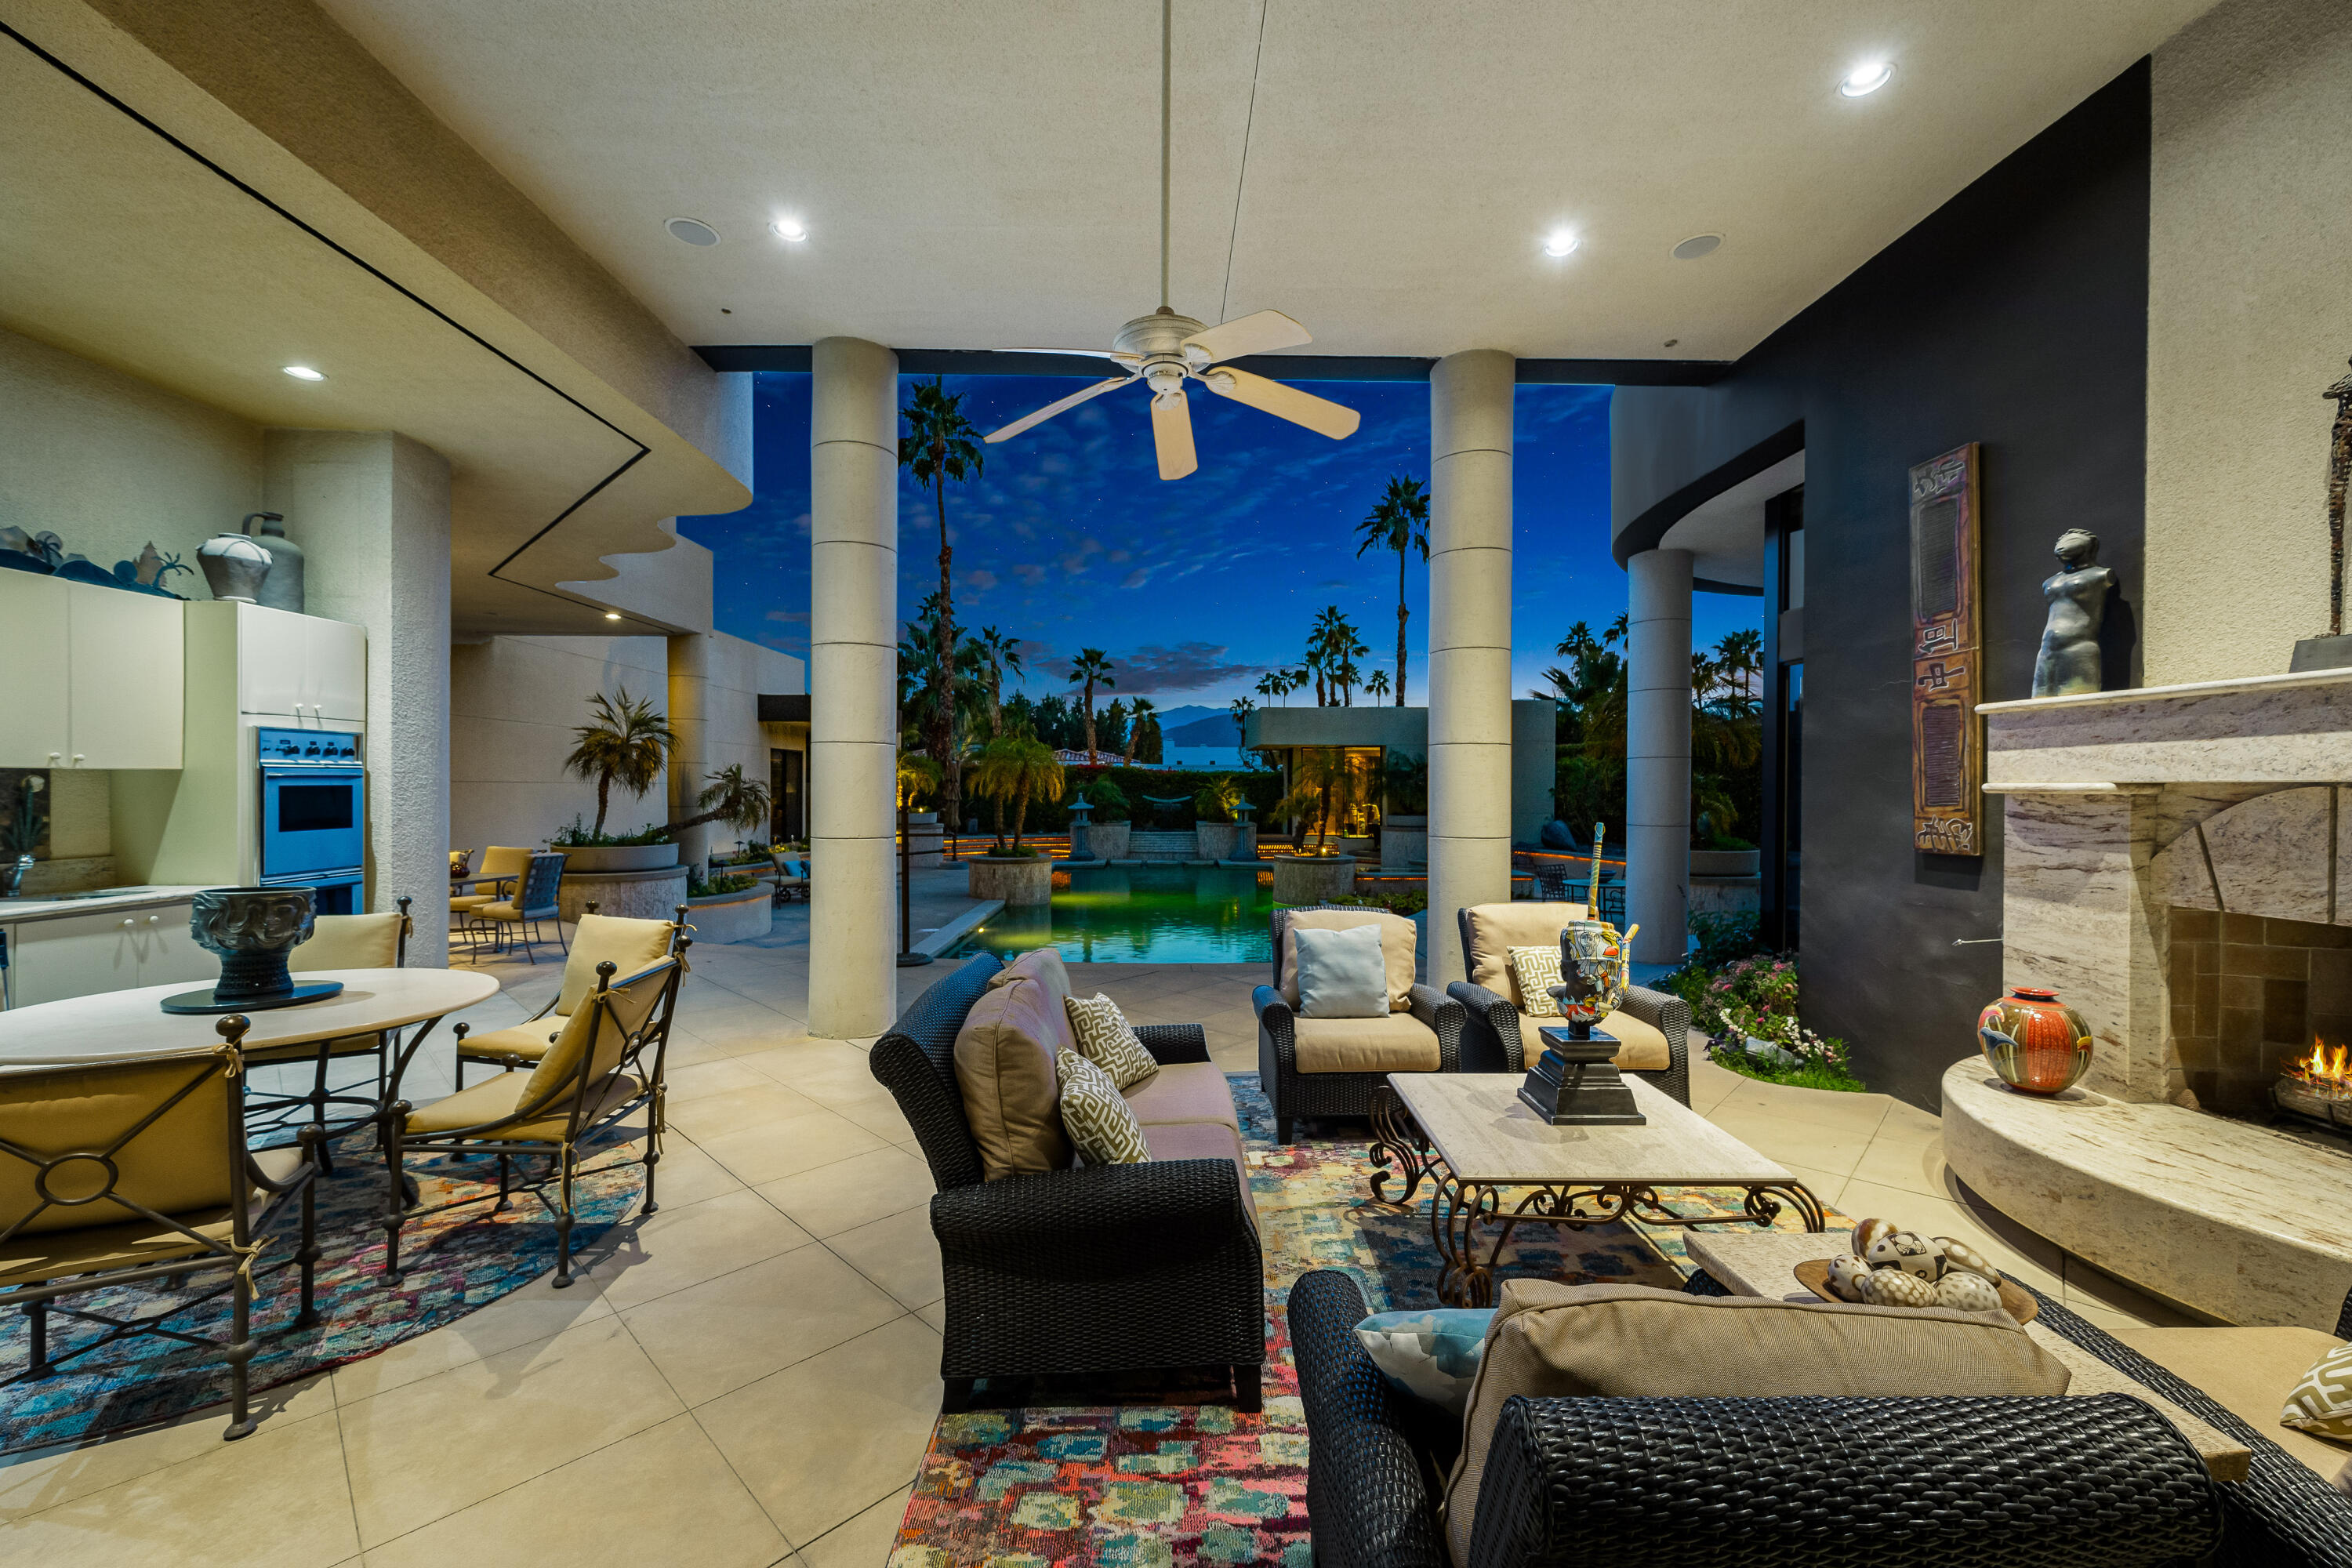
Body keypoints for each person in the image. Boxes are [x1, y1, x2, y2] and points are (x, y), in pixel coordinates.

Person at [2032, 528, 2115, 697]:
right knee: (2039, 711)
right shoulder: (2050, 582)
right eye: (2061, 541)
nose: (2062, 545)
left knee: (2079, 706)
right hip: (2046, 650)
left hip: (2079, 648)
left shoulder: (2101, 575)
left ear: (2088, 545)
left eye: (2071, 540)